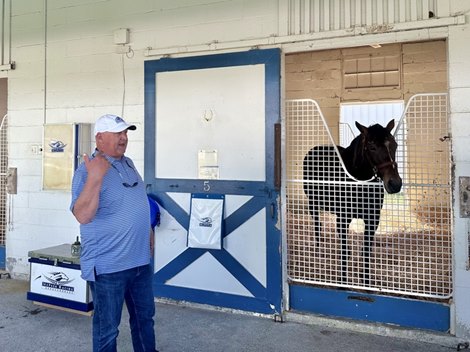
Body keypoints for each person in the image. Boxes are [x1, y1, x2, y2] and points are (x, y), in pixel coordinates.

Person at [70, 114, 158, 352]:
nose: (124, 138)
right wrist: (95, 177)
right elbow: (83, 215)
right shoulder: (85, 171)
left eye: (126, 133)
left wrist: (147, 227)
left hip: (140, 261)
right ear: (99, 137)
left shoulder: (127, 163)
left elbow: (135, 200)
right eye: (118, 133)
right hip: (110, 267)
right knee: (107, 329)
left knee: (144, 320)